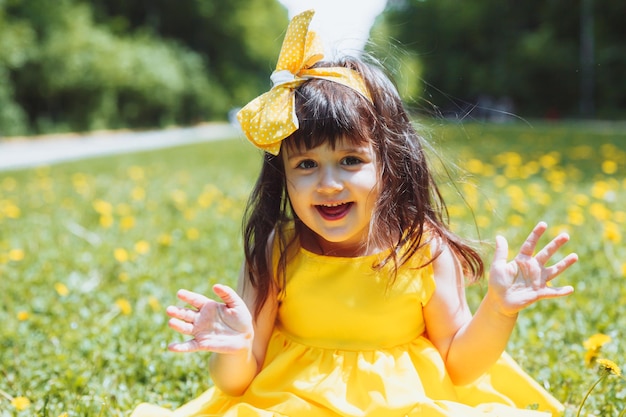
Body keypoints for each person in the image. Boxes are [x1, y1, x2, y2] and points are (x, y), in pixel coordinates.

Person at [131, 10, 578, 417]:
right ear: (282, 176)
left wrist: (499, 309)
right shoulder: (279, 250)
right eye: (306, 165)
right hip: (294, 402)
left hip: (405, 406)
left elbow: (460, 365)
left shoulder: (421, 248)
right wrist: (234, 347)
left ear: (388, 163)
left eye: (351, 161)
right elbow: (238, 381)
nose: (328, 183)